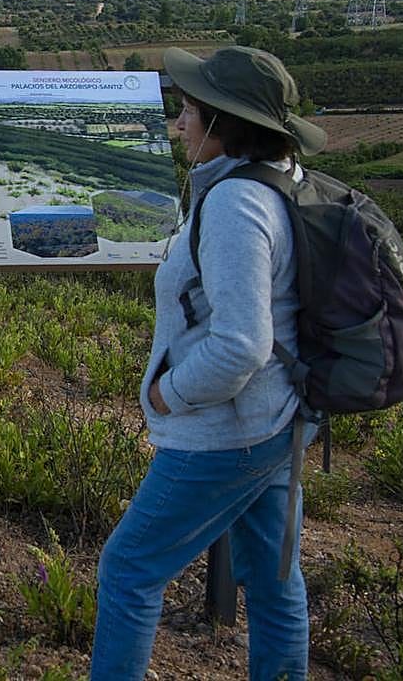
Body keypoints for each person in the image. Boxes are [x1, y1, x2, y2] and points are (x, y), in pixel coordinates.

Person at [89, 46, 328, 681]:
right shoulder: (284, 181)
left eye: (190, 110)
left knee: (129, 568)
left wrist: (169, 393)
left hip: (229, 432)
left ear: (222, 125)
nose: (180, 121)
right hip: (282, 419)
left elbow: (242, 342)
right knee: (276, 582)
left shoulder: (234, 206)